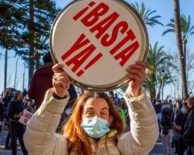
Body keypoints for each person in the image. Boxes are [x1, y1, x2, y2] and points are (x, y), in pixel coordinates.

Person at [24, 62, 158, 154]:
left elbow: (144, 139)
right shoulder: (65, 146)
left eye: (103, 113)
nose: (96, 117)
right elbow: (37, 144)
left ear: (110, 119)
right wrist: (57, 98)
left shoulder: (121, 144)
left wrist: (135, 93)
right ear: (79, 117)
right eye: (90, 112)